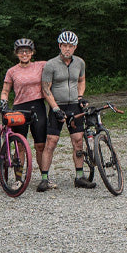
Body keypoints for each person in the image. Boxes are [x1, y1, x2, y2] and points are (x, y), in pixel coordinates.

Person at [41, 31, 96, 190]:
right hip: (57, 106)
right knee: (51, 141)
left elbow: (81, 80)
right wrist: (55, 108)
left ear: (75, 47)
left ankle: (79, 177)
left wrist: (80, 96)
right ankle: (44, 178)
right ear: (59, 46)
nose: (67, 49)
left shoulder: (80, 63)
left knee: (78, 141)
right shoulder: (51, 64)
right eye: (64, 45)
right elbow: (45, 89)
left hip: (74, 105)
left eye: (70, 46)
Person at [0, 38, 50, 191]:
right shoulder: (12, 71)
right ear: (16, 54)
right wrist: (3, 102)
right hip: (20, 107)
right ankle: (18, 179)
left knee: (40, 145)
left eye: (27, 51)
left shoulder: (41, 65)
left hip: (38, 106)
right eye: (21, 51)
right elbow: (5, 90)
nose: (24, 54)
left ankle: (45, 178)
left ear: (32, 53)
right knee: (19, 145)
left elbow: (57, 65)